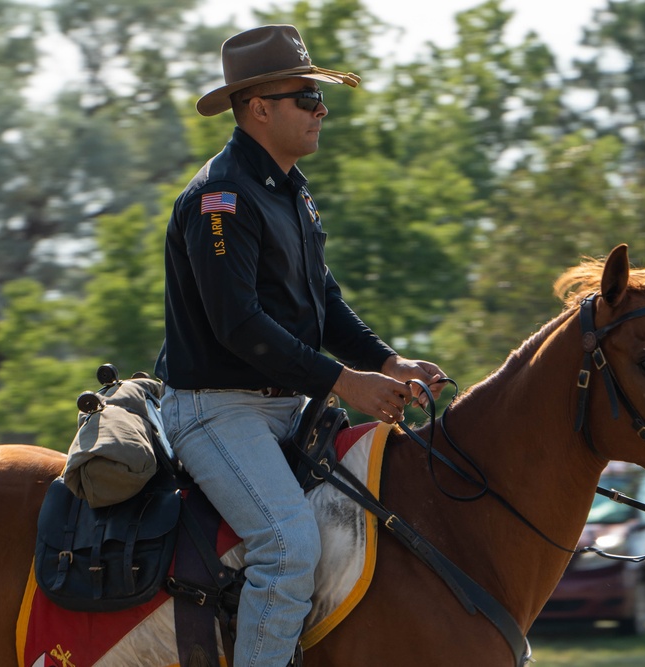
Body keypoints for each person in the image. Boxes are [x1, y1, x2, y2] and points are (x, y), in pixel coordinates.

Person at [153, 24, 446, 667]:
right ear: (260, 108)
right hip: (216, 410)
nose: (322, 112)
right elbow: (240, 326)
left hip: (292, 404)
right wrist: (346, 382)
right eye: (307, 99)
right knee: (288, 549)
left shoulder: (292, 192)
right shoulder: (219, 199)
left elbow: (325, 305)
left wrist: (387, 361)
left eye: (322, 99)